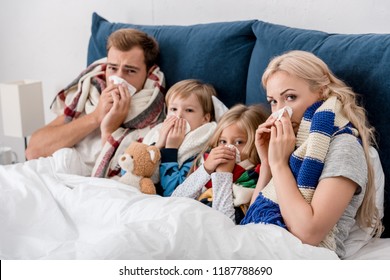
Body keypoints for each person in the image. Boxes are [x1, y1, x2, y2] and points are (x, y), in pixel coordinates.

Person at [240, 50, 383, 258]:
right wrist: (268, 165)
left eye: (290, 97)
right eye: (273, 101)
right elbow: (253, 219)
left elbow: (309, 233)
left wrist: (279, 165)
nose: (280, 112)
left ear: (322, 92)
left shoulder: (345, 146)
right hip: (262, 243)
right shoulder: (295, 143)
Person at [25, 28, 165, 177]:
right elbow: (33, 150)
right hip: (52, 173)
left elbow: (129, 179)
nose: (118, 78)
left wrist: (109, 131)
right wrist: (96, 116)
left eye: (130, 71)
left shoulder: (154, 111)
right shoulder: (89, 94)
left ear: (149, 73)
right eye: (112, 68)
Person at [171, 104, 269, 224]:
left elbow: (223, 224)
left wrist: (223, 174)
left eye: (238, 142)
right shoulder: (205, 164)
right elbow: (175, 200)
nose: (228, 147)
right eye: (223, 141)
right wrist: (206, 169)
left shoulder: (256, 177)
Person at [142, 79, 227, 196]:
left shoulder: (202, 147)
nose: (179, 115)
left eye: (189, 110)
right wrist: (158, 145)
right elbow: (129, 170)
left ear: (205, 118)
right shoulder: (156, 133)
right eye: (173, 109)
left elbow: (173, 192)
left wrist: (170, 149)